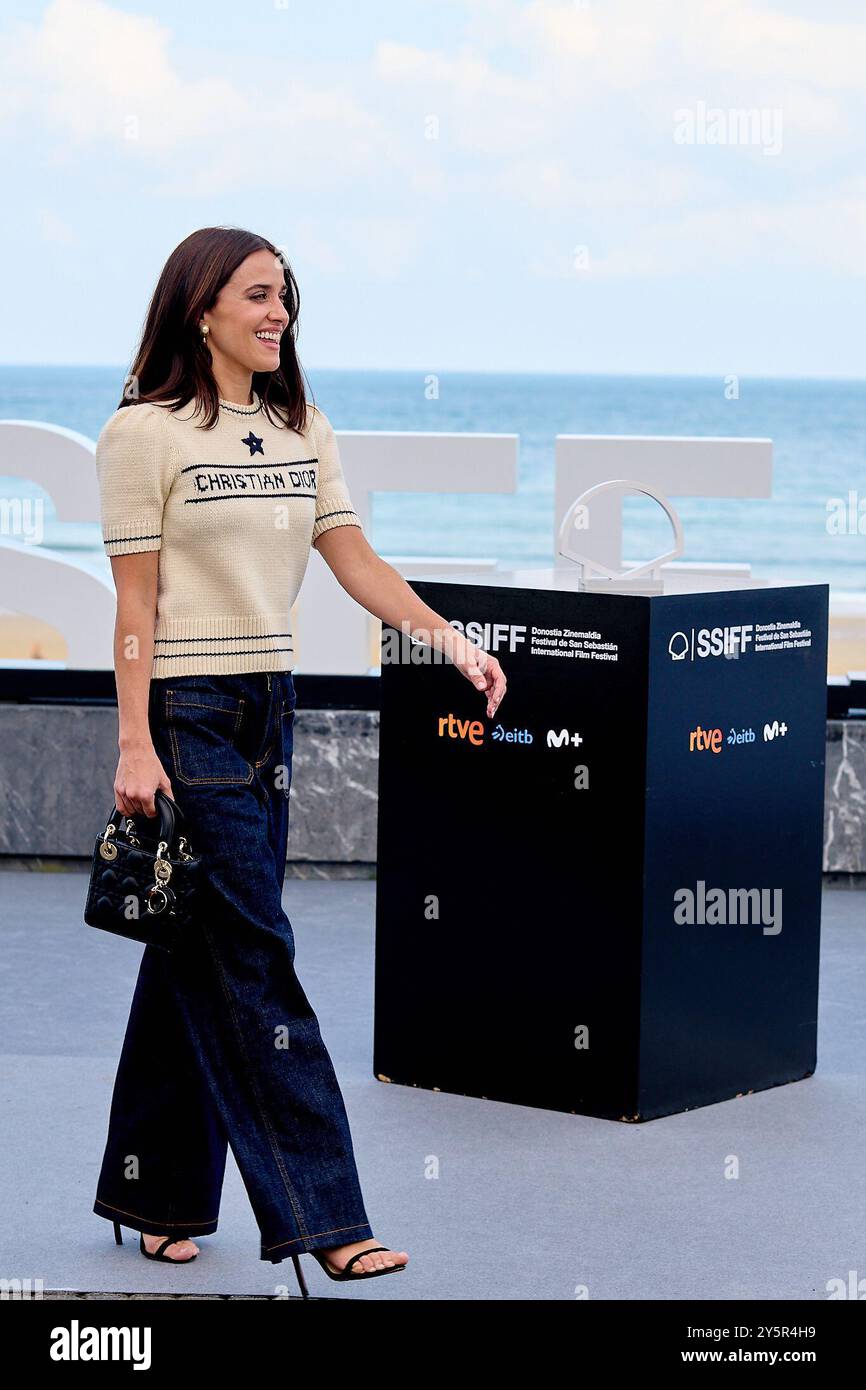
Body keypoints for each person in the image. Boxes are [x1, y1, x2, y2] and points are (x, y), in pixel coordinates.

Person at [90, 225, 507, 1295]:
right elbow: (134, 604)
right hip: (184, 710)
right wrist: (133, 740)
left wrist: (445, 637)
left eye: (286, 299)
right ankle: (326, 1217)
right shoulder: (144, 433)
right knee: (256, 959)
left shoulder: (300, 426)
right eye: (259, 296)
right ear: (202, 309)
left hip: (269, 710)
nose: (278, 315)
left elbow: (352, 556)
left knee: (197, 945)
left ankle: (156, 1192)